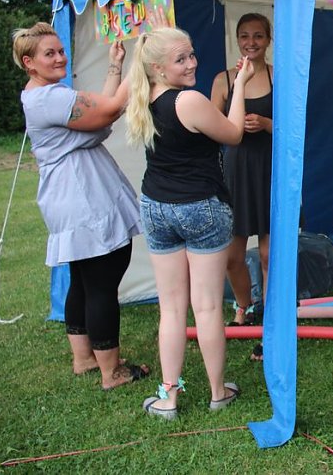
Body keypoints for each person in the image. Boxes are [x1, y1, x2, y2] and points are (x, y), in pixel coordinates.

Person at [13, 22, 147, 390]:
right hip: (82, 198)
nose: (59, 58)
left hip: (69, 197)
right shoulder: (49, 98)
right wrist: (142, 59)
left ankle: (84, 358)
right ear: (30, 62)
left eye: (60, 51)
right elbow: (109, 110)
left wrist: (115, 65)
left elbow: (99, 111)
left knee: (85, 281)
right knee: (102, 283)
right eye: (49, 54)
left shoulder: (43, 95)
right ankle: (111, 372)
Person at [126, 26, 252, 419]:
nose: (192, 62)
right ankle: (218, 392)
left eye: (192, 54)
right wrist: (241, 83)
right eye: (181, 59)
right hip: (200, 207)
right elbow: (233, 134)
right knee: (209, 307)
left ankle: (170, 397)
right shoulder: (190, 100)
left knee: (172, 309)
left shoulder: (142, 99)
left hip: (157, 207)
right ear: (158, 68)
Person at [210, 13, 274, 326]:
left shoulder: (279, 76)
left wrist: (265, 123)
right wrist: (233, 125)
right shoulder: (223, 80)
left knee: (267, 255)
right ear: (237, 40)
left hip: (270, 172)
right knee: (231, 257)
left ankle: (273, 312)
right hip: (235, 175)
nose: (251, 42)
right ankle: (244, 307)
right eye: (245, 36)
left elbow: (295, 131)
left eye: (258, 36)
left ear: (268, 40)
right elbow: (210, 129)